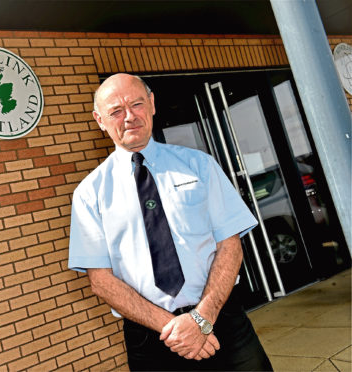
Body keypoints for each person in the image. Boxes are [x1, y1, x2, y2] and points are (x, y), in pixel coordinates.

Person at [68, 73, 273, 371]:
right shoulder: (89, 194)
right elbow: (100, 281)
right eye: (115, 111)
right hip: (151, 337)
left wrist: (202, 319)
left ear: (152, 104)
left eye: (136, 104)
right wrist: (179, 329)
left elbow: (230, 245)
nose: (129, 117)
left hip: (222, 320)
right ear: (100, 120)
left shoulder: (199, 165)